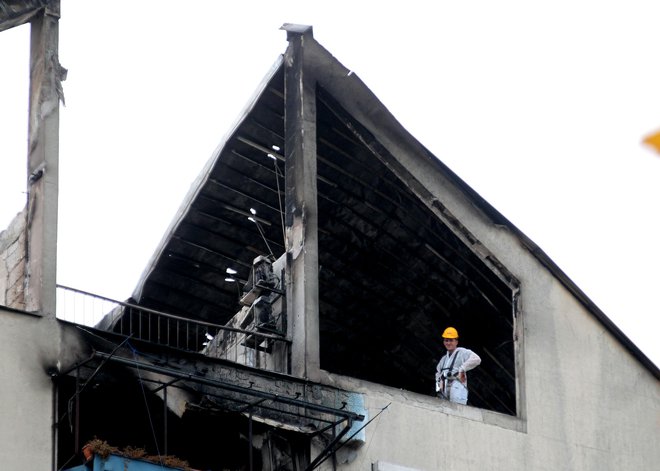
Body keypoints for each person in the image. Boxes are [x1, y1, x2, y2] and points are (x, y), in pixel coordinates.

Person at [435, 327, 481, 405]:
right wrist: (438, 390)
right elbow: (438, 376)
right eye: (446, 340)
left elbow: (477, 359)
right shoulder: (443, 359)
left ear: (456, 341)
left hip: (457, 392)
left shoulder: (462, 352)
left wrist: (462, 369)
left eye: (451, 340)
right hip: (444, 395)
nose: (448, 343)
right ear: (443, 342)